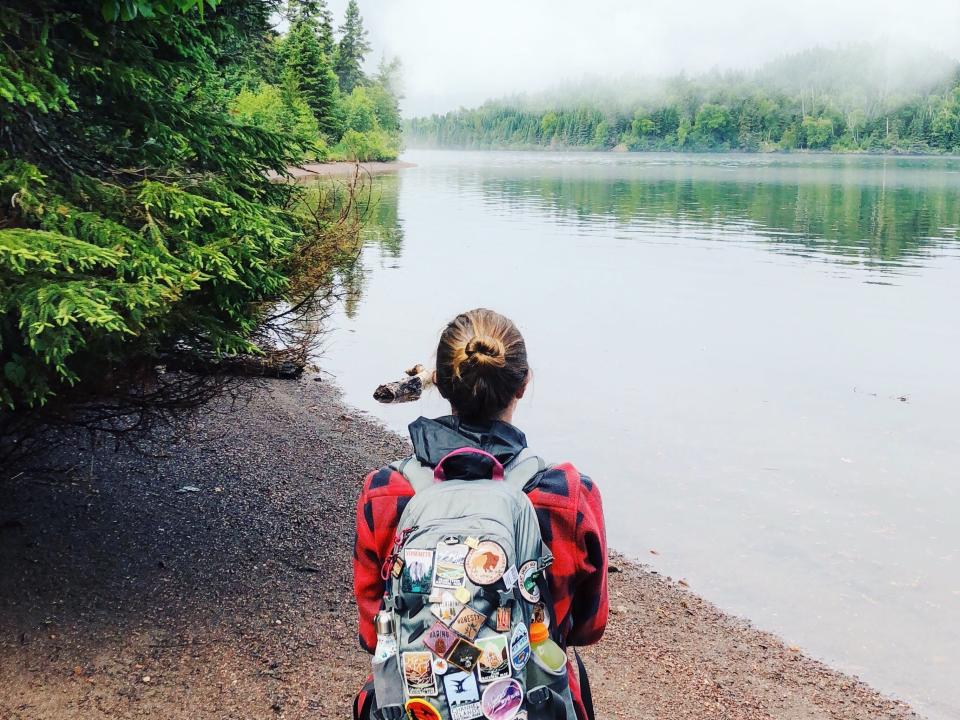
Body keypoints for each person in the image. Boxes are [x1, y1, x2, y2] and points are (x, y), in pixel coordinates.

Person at [353, 308, 608, 720]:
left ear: (441, 384)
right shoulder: (569, 495)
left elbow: (373, 633)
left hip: (419, 702)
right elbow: (588, 628)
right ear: (523, 384)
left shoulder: (384, 492)